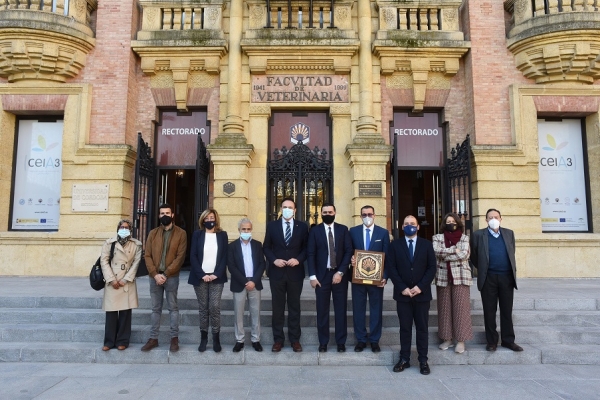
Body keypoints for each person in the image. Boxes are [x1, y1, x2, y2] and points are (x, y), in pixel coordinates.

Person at [386, 215, 436, 375]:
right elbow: (391, 268)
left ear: (418, 226)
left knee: (422, 328)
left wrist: (420, 287)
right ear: (402, 227)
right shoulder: (395, 245)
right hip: (403, 295)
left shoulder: (427, 245)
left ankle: (423, 360)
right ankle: (404, 359)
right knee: (405, 328)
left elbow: (431, 268)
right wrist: (402, 288)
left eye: (412, 224)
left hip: (422, 295)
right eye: (406, 224)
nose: (410, 226)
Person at [470, 208, 523, 352]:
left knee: (506, 310)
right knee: (489, 311)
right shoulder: (478, 235)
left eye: (496, 216)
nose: (493, 219)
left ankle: (508, 340)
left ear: (501, 218)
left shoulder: (508, 233)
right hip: (489, 278)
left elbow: (512, 252)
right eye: (490, 217)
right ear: (486, 220)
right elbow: (474, 256)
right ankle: (492, 341)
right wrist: (483, 268)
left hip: (506, 277)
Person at [263, 197, 309, 352]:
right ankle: (278, 340)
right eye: (284, 206)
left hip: (295, 273)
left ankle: (295, 339)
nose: (287, 209)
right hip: (277, 273)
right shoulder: (272, 226)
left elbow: (306, 248)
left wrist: (299, 259)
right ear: (280, 209)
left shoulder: (302, 227)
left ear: (295, 210)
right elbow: (266, 247)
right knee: (277, 307)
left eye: (290, 207)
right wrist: (274, 260)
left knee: (294, 307)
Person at [141, 203, 187, 353]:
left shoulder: (181, 233)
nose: (165, 215)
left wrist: (166, 274)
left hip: (171, 277)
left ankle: (174, 339)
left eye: (167, 213)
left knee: (173, 308)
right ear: (159, 215)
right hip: (154, 277)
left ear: (172, 215)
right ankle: (153, 338)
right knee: (155, 309)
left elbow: (180, 257)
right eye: (162, 213)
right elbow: (147, 255)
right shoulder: (152, 233)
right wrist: (155, 274)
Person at [307, 202, 353, 352]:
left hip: (339, 275)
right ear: (321, 214)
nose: (327, 214)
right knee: (322, 310)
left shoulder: (343, 230)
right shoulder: (315, 231)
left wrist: (340, 272)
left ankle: (341, 342)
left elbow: (348, 251)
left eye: (330, 212)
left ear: (335, 212)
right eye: (324, 212)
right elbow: (311, 254)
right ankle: (323, 342)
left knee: (341, 310)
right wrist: (312, 276)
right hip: (322, 276)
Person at [349, 205, 390, 352]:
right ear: (360, 216)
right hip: (358, 279)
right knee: (358, 309)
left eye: (370, 214)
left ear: (374, 215)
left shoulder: (383, 233)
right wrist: (351, 259)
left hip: (377, 280)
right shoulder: (353, 232)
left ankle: (374, 340)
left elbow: (388, 256)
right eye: (364, 214)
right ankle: (360, 339)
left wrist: (385, 276)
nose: (367, 217)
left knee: (376, 309)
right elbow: (348, 251)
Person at [432, 212, 473, 354]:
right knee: (444, 308)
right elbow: (437, 252)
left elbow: (464, 254)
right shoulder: (437, 237)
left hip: (461, 276)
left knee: (461, 309)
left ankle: (461, 341)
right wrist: (453, 250)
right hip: (443, 277)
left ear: (457, 223)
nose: (450, 223)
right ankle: (447, 339)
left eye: (453, 221)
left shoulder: (464, 237)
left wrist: (447, 255)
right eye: (448, 221)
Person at [188, 208, 228, 352]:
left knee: (215, 307)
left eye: (212, 217)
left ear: (216, 219)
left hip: (217, 277)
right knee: (203, 309)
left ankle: (216, 338)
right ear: (203, 220)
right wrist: (202, 274)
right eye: (207, 218)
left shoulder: (222, 235)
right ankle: (203, 339)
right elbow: (193, 255)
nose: (210, 220)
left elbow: (224, 256)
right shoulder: (197, 234)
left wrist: (216, 273)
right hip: (201, 277)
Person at [100, 219, 142, 351]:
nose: (124, 229)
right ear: (118, 228)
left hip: (126, 281)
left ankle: (122, 341)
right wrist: (111, 279)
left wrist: (126, 279)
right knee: (111, 312)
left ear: (130, 230)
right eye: (121, 227)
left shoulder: (136, 245)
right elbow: (104, 261)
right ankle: (109, 341)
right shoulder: (109, 243)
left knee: (125, 312)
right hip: (112, 280)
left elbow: (136, 263)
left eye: (127, 227)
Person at [227, 218, 266, 352]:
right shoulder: (232, 246)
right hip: (240, 284)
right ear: (239, 230)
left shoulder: (257, 244)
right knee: (239, 313)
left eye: (248, 229)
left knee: (255, 312)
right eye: (243, 229)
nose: (246, 231)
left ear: (251, 230)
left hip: (254, 283)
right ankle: (240, 339)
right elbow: (231, 266)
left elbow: (262, 264)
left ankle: (256, 339)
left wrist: (253, 281)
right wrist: (245, 281)